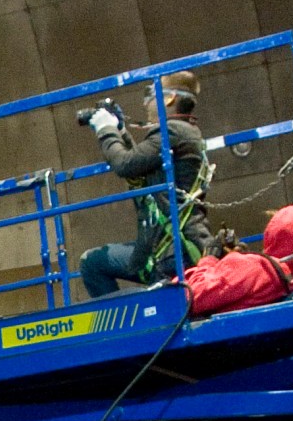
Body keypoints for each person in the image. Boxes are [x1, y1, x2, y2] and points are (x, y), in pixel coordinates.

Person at [78, 71, 213, 298]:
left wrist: (105, 130)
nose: (145, 102)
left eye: (150, 95)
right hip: (160, 248)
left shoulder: (174, 131)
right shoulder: (182, 132)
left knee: (93, 264)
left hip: (173, 251)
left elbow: (124, 164)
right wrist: (120, 131)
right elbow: (141, 163)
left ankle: (119, 328)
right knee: (93, 262)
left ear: (168, 99)